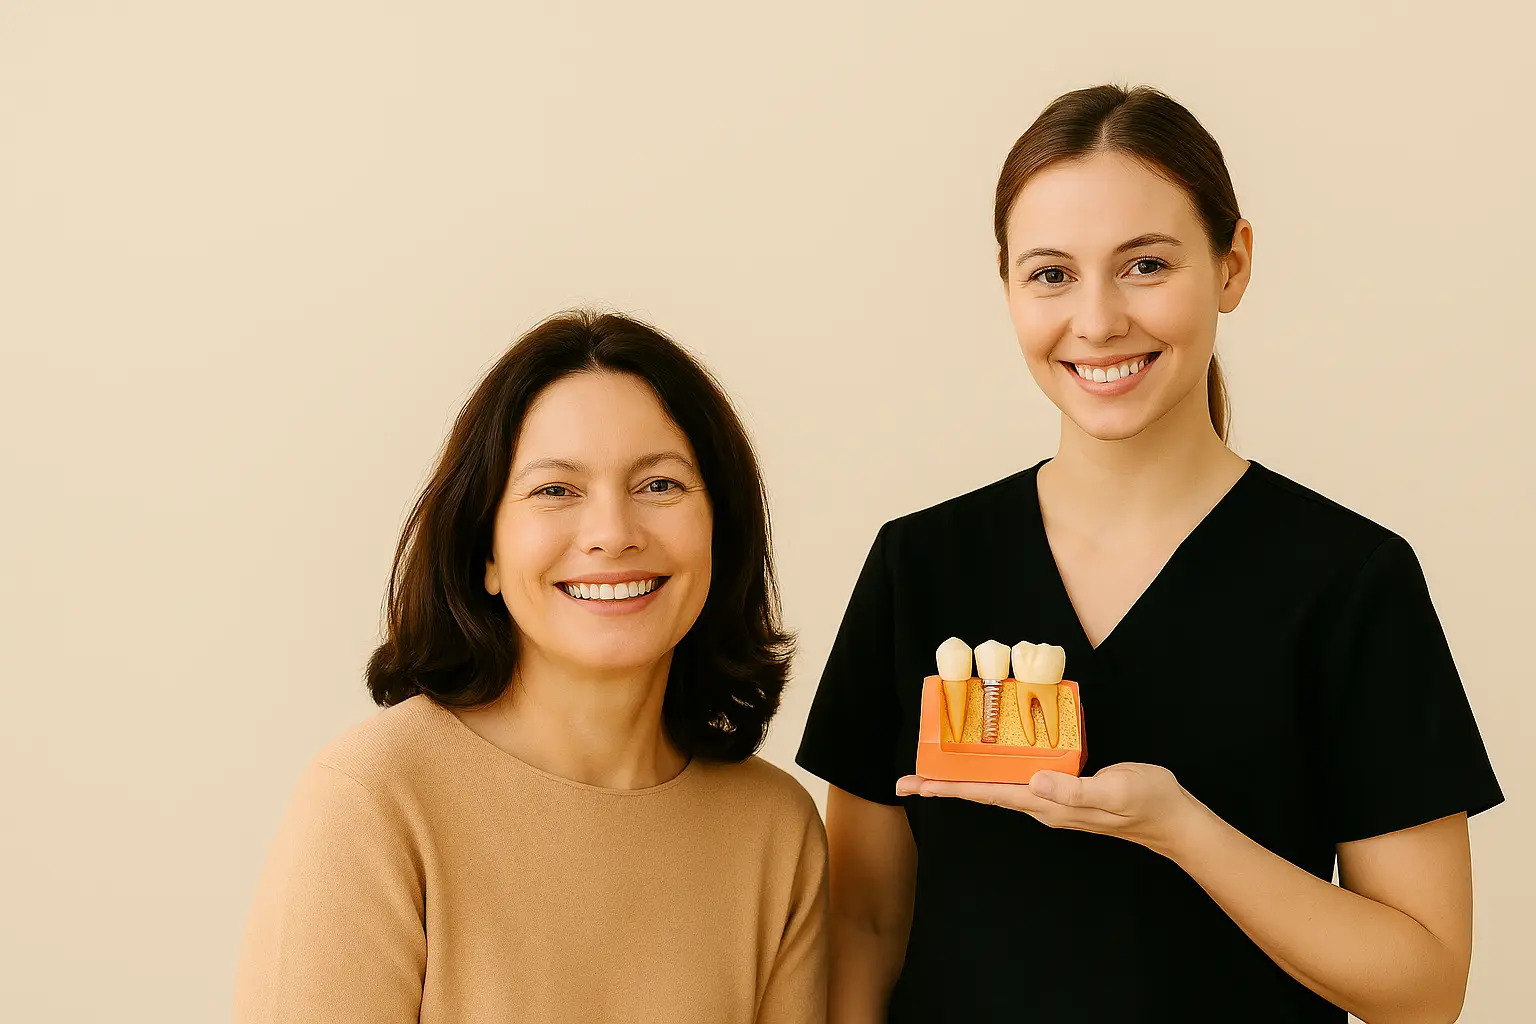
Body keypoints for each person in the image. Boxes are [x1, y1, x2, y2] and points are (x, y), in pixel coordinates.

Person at [796, 84, 1503, 1024]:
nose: (1096, 321)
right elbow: (865, 926)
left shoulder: (1348, 581)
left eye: (1144, 265)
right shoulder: (920, 567)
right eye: (1050, 274)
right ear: (1005, 284)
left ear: (1232, 264)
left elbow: (1423, 988)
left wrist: (1182, 831)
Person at [235, 310, 827, 1023]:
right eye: (556, 491)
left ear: (720, 534)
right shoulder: (374, 802)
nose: (612, 534)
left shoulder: (773, 827)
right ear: (484, 550)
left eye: (659, 485)